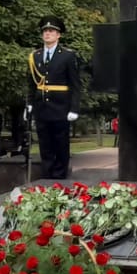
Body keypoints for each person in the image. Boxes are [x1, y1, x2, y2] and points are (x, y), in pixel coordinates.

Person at [27, 16, 81, 180]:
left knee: (60, 143)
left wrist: (74, 108)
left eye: (51, 31)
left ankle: (59, 176)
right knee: (45, 144)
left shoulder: (67, 56)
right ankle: (47, 175)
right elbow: (31, 83)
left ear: (59, 35)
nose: (48, 34)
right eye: (45, 31)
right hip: (41, 107)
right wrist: (29, 104)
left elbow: (75, 84)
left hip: (60, 107)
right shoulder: (35, 56)